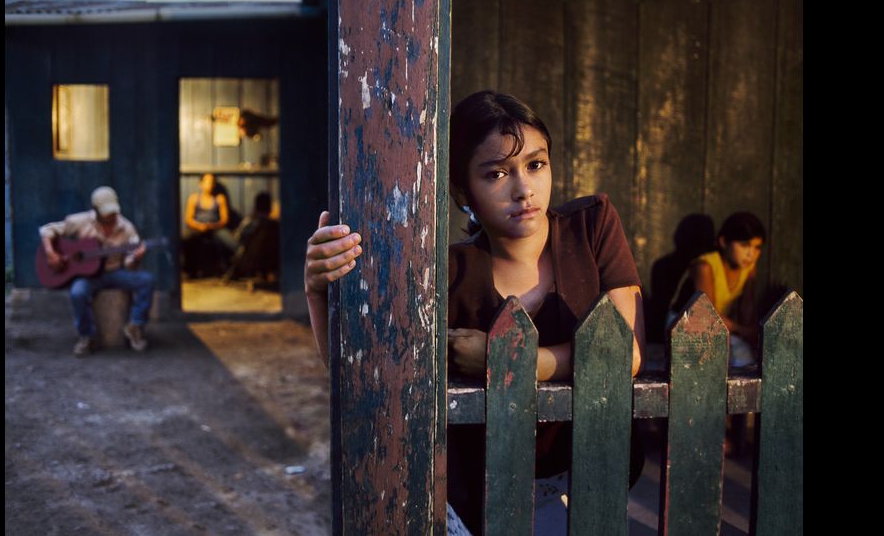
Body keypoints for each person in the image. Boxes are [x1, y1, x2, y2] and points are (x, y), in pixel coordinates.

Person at [304, 91, 646, 533]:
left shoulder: (592, 228)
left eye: (536, 165)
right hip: (483, 496)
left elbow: (626, 355)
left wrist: (507, 359)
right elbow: (363, 380)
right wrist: (316, 293)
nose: (524, 189)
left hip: (589, 477)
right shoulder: (446, 274)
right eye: (497, 174)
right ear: (464, 190)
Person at [39, 186, 154, 356]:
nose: (111, 216)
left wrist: (136, 258)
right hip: (87, 276)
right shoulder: (80, 221)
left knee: (147, 280)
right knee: (78, 292)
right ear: (95, 210)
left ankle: (135, 326)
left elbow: (130, 264)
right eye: (106, 212)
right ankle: (87, 336)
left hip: (114, 272)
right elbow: (46, 230)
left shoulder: (127, 228)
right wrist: (50, 253)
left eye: (113, 211)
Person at [670, 212, 766, 368]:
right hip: (688, 324)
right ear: (723, 242)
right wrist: (742, 331)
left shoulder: (748, 268)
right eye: (744, 245)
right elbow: (707, 315)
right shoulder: (705, 266)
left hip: (722, 325)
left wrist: (749, 332)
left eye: (757, 247)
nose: (751, 254)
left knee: (746, 358)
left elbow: (746, 305)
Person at [182, 173, 237, 278]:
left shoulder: (220, 199)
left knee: (227, 239)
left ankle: (230, 268)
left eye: (212, 182)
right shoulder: (194, 198)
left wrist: (212, 226)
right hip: (197, 228)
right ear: (201, 184)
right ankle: (189, 270)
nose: (210, 184)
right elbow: (188, 219)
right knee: (185, 238)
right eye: (207, 181)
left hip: (215, 228)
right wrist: (199, 226)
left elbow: (225, 219)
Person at [223, 192, 280, 284]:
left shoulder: (250, 221)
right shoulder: (273, 224)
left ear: (256, 206)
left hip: (248, 260)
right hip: (265, 262)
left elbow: (238, 238)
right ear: (270, 207)